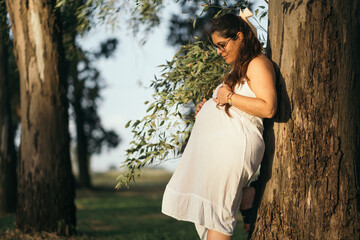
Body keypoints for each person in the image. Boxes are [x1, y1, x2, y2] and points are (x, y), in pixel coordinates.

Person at [161, 12, 277, 240]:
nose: (219, 51)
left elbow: (268, 107)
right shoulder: (239, 68)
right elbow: (231, 100)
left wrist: (230, 98)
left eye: (222, 45)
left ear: (240, 37)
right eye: (216, 46)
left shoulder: (257, 63)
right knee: (213, 207)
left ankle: (245, 198)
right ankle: (246, 198)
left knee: (217, 214)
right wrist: (208, 109)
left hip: (235, 148)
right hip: (218, 151)